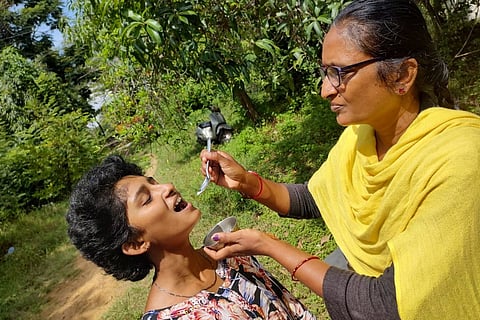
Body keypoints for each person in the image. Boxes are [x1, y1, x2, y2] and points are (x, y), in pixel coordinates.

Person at [199, 0, 480, 319]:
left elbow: (388, 304)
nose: (325, 90)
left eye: (340, 73)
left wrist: (269, 245)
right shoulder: (362, 136)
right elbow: (320, 197)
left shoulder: (461, 160)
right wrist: (248, 183)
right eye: (324, 73)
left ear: (402, 75)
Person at [66, 155, 316, 320]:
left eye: (154, 182)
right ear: (135, 243)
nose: (167, 187)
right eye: (147, 198)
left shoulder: (228, 257)